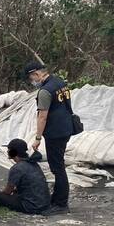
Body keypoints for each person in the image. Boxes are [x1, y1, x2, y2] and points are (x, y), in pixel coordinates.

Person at [24, 62, 73, 212]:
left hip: (55, 132)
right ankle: (58, 198)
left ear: (36, 74)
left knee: (57, 167)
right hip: (66, 127)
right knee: (58, 164)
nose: (32, 81)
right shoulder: (59, 82)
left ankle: (61, 204)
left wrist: (38, 138)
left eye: (31, 78)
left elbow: (42, 117)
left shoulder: (45, 91)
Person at [0, 139, 51, 214]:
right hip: (44, 204)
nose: (7, 152)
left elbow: (7, 191)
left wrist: (0, 195)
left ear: (13, 152)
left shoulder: (17, 168)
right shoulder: (33, 163)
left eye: (9, 150)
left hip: (30, 207)